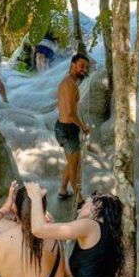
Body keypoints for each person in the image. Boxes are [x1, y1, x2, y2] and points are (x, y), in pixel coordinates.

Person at [55, 53, 90, 204]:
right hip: (67, 129)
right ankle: (79, 199)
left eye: (86, 67)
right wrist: (83, 127)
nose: (84, 70)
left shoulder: (68, 82)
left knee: (72, 162)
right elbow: (69, 113)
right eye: (81, 66)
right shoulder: (69, 84)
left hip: (67, 128)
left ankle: (63, 190)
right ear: (73, 65)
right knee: (74, 165)